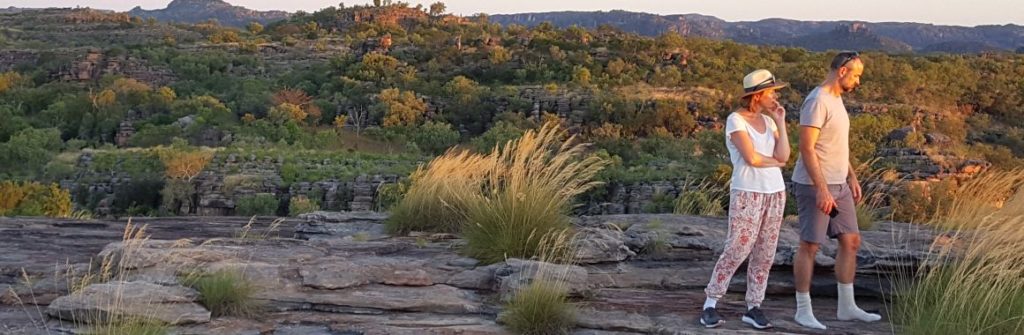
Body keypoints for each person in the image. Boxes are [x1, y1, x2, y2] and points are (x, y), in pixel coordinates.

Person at [791, 51, 880, 330]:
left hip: (839, 183)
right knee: (810, 245)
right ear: (842, 71)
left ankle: (847, 307)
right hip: (814, 184)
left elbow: (836, 144)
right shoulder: (816, 101)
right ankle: (803, 310)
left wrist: (851, 175)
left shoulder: (836, 100)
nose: (858, 81)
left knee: (851, 241)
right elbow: (807, 148)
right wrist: (821, 189)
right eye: (856, 75)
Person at [700, 69, 790, 330]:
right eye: (771, 92)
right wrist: (776, 162)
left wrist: (781, 121)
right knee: (738, 247)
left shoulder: (771, 122)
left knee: (765, 252)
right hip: (748, 191)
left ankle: (754, 306)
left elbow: (785, 154)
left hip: (775, 192)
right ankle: (710, 303)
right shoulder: (735, 120)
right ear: (758, 95)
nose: (775, 96)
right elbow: (751, 158)